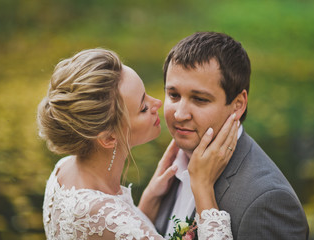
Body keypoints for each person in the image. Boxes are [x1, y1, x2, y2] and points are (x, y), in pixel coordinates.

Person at [37, 48, 239, 239]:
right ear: (108, 138)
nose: (157, 104)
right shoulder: (100, 214)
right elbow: (112, 226)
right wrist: (203, 188)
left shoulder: (62, 170)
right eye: (143, 107)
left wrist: (148, 201)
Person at [155, 32, 309, 239]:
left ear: (238, 105)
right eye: (173, 95)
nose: (180, 114)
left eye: (199, 99)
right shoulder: (169, 168)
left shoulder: (268, 201)